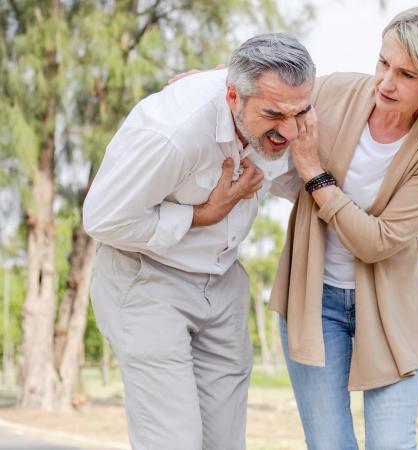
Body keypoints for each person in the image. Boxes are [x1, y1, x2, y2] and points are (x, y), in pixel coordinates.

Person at [83, 33, 314, 450]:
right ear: (232, 96)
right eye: (274, 115)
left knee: (225, 443)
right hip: (147, 282)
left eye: (300, 112)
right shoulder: (173, 132)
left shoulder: (277, 108)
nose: (290, 130)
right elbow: (102, 218)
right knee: (174, 441)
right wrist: (202, 215)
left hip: (222, 283)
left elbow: (299, 175)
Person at [271, 7, 418, 449]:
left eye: (405, 74)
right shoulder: (337, 90)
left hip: (391, 309)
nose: (385, 81)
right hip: (314, 300)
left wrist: (314, 174)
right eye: (383, 63)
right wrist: (209, 79)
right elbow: (271, 89)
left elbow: (376, 242)